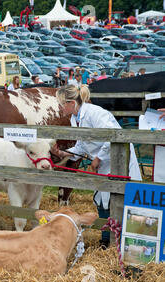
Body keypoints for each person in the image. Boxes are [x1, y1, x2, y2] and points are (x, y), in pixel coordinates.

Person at [52, 85, 142, 248]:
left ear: (72, 103)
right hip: (102, 164)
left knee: (117, 198)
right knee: (101, 200)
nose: (60, 108)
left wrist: (98, 158)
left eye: (62, 104)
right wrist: (64, 153)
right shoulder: (75, 118)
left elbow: (113, 136)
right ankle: (106, 239)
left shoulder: (95, 113)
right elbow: (82, 145)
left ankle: (122, 238)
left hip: (117, 160)